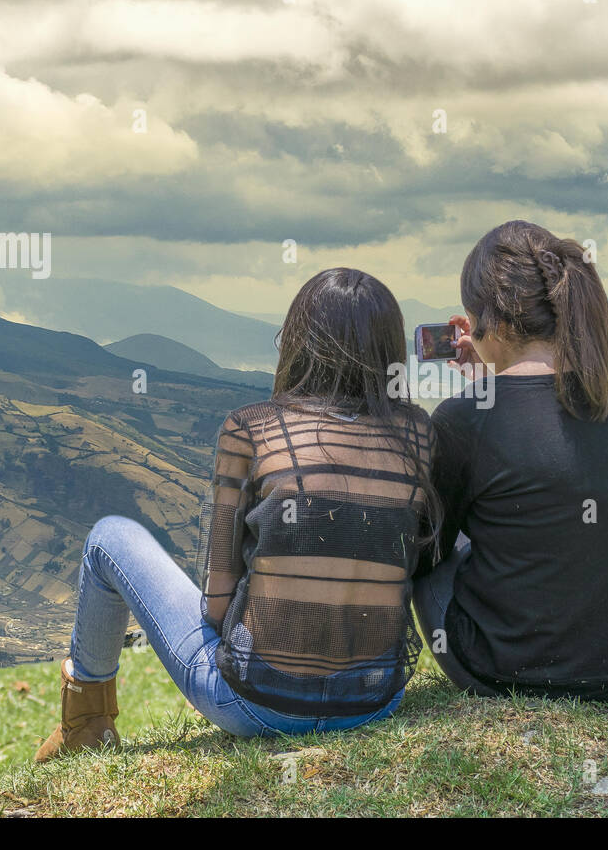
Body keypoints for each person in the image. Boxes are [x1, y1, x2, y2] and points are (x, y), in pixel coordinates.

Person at [36, 268, 438, 760]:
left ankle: (86, 723)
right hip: (376, 702)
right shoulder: (418, 437)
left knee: (108, 538)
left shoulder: (251, 429)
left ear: (296, 342)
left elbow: (217, 603)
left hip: (251, 705)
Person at [413, 220, 608, 701]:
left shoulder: (462, 420)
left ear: (485, 322)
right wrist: (490, 379)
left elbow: (430, 549)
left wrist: (481, 394)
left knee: (436, 551)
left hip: (506, 670)